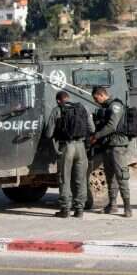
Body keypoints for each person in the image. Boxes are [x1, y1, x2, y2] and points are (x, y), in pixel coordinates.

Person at [44, 90, 94, 218]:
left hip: (66, 147)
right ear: (68, 98)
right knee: (80, 179)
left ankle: (65, 209)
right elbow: (92, 128)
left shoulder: (57, 110)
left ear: (58, 100)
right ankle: (79, 210)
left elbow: (49, 133)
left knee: (64, 179)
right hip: (81, 147)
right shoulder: (82, 108)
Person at [88, 85, 132, 217]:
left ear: (102, 95)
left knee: (121, 176)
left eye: (97, 98)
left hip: (117, 146)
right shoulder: (106, 107)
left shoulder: (115, 106)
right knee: (110, 176)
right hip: (108, 146)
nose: (96, 101)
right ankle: (112, 205)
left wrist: (96, 136)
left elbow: (112, 126)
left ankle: (127, 207)